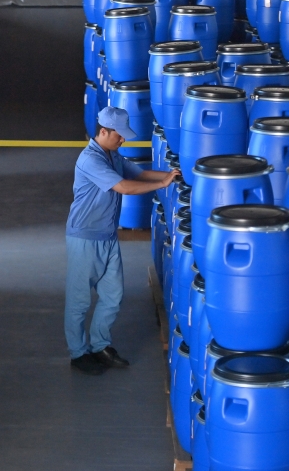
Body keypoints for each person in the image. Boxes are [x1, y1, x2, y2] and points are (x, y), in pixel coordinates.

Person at [65, 107, 180, 375]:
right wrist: (162, 185)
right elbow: (123, 187)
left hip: (106, 235)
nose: (123, 140)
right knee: (79, 300)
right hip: (85, 236)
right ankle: (78, 353)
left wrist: (171, 174)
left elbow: (138, 174)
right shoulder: (90, 159)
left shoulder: (112, 155)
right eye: (119, 135)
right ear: (103, 131)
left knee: (113, 295)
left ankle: (100, 346)